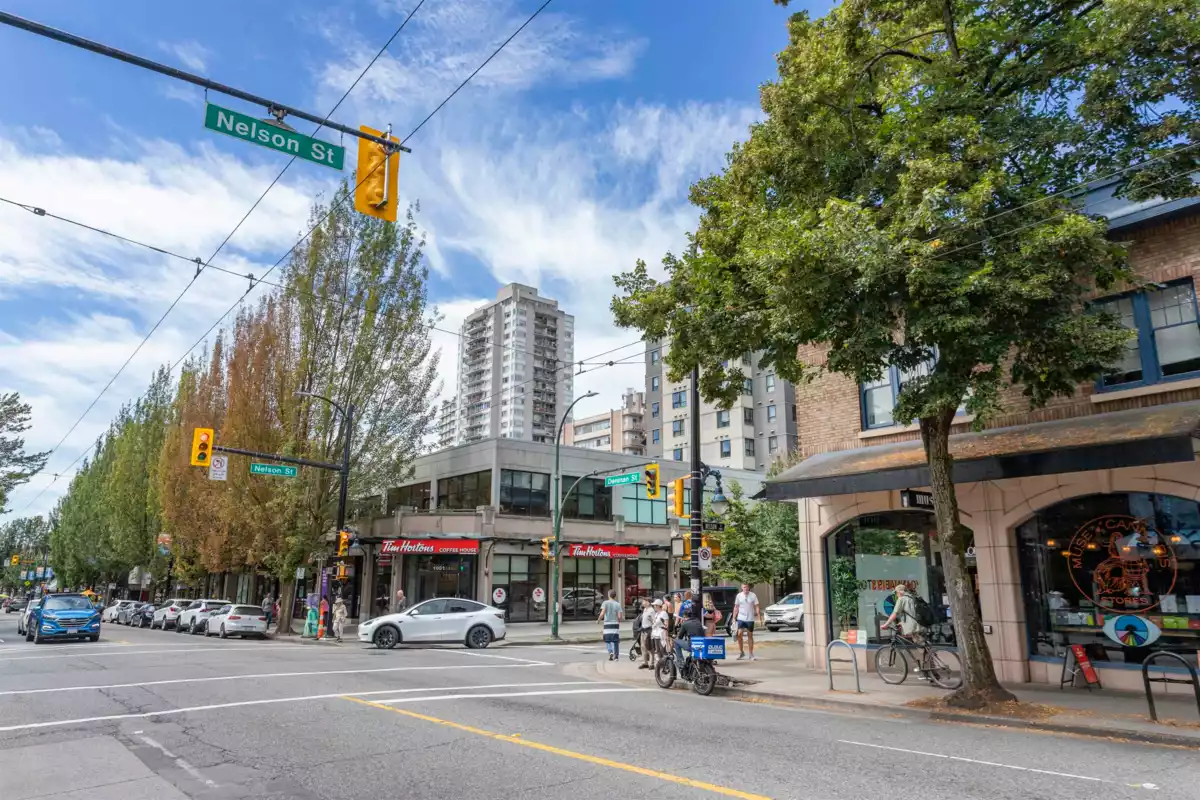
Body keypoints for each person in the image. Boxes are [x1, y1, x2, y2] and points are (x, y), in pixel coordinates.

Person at [732, 582, 760, 661]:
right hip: (741, 617)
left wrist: (758, 614)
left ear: (749, 588)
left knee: (750, 635)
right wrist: (734, 617)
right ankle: (741, 652)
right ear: (742, 588)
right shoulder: (739, 596)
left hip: (750, 618)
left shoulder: (753, 595)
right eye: (744, 587)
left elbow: (757, 606)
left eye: (747, 587)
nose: (745, 589)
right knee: (739, 634)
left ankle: (751, 654)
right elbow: (736, 607)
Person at [598, 589, 624, 660]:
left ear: (609, 595)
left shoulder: (605, 603)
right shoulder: (617, 604)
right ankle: (616, 656)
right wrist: (618, 621)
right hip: (615, 624)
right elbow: (619, 617)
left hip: (607, 624)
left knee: (607, 639)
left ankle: (610, 652)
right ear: (615, 596)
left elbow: (602, 613)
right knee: (615, 640)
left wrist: (598, 620)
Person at [639, 599, 657, 669]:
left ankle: (651, 663)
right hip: (643, 630)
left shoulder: (651, 610)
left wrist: (652, 630)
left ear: (648, 602)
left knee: (649, 647)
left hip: (649, 630)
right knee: (643, 647)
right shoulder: (645, 610)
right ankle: (645, 662)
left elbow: (654, 621)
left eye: (644, 601)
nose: (642, 602)